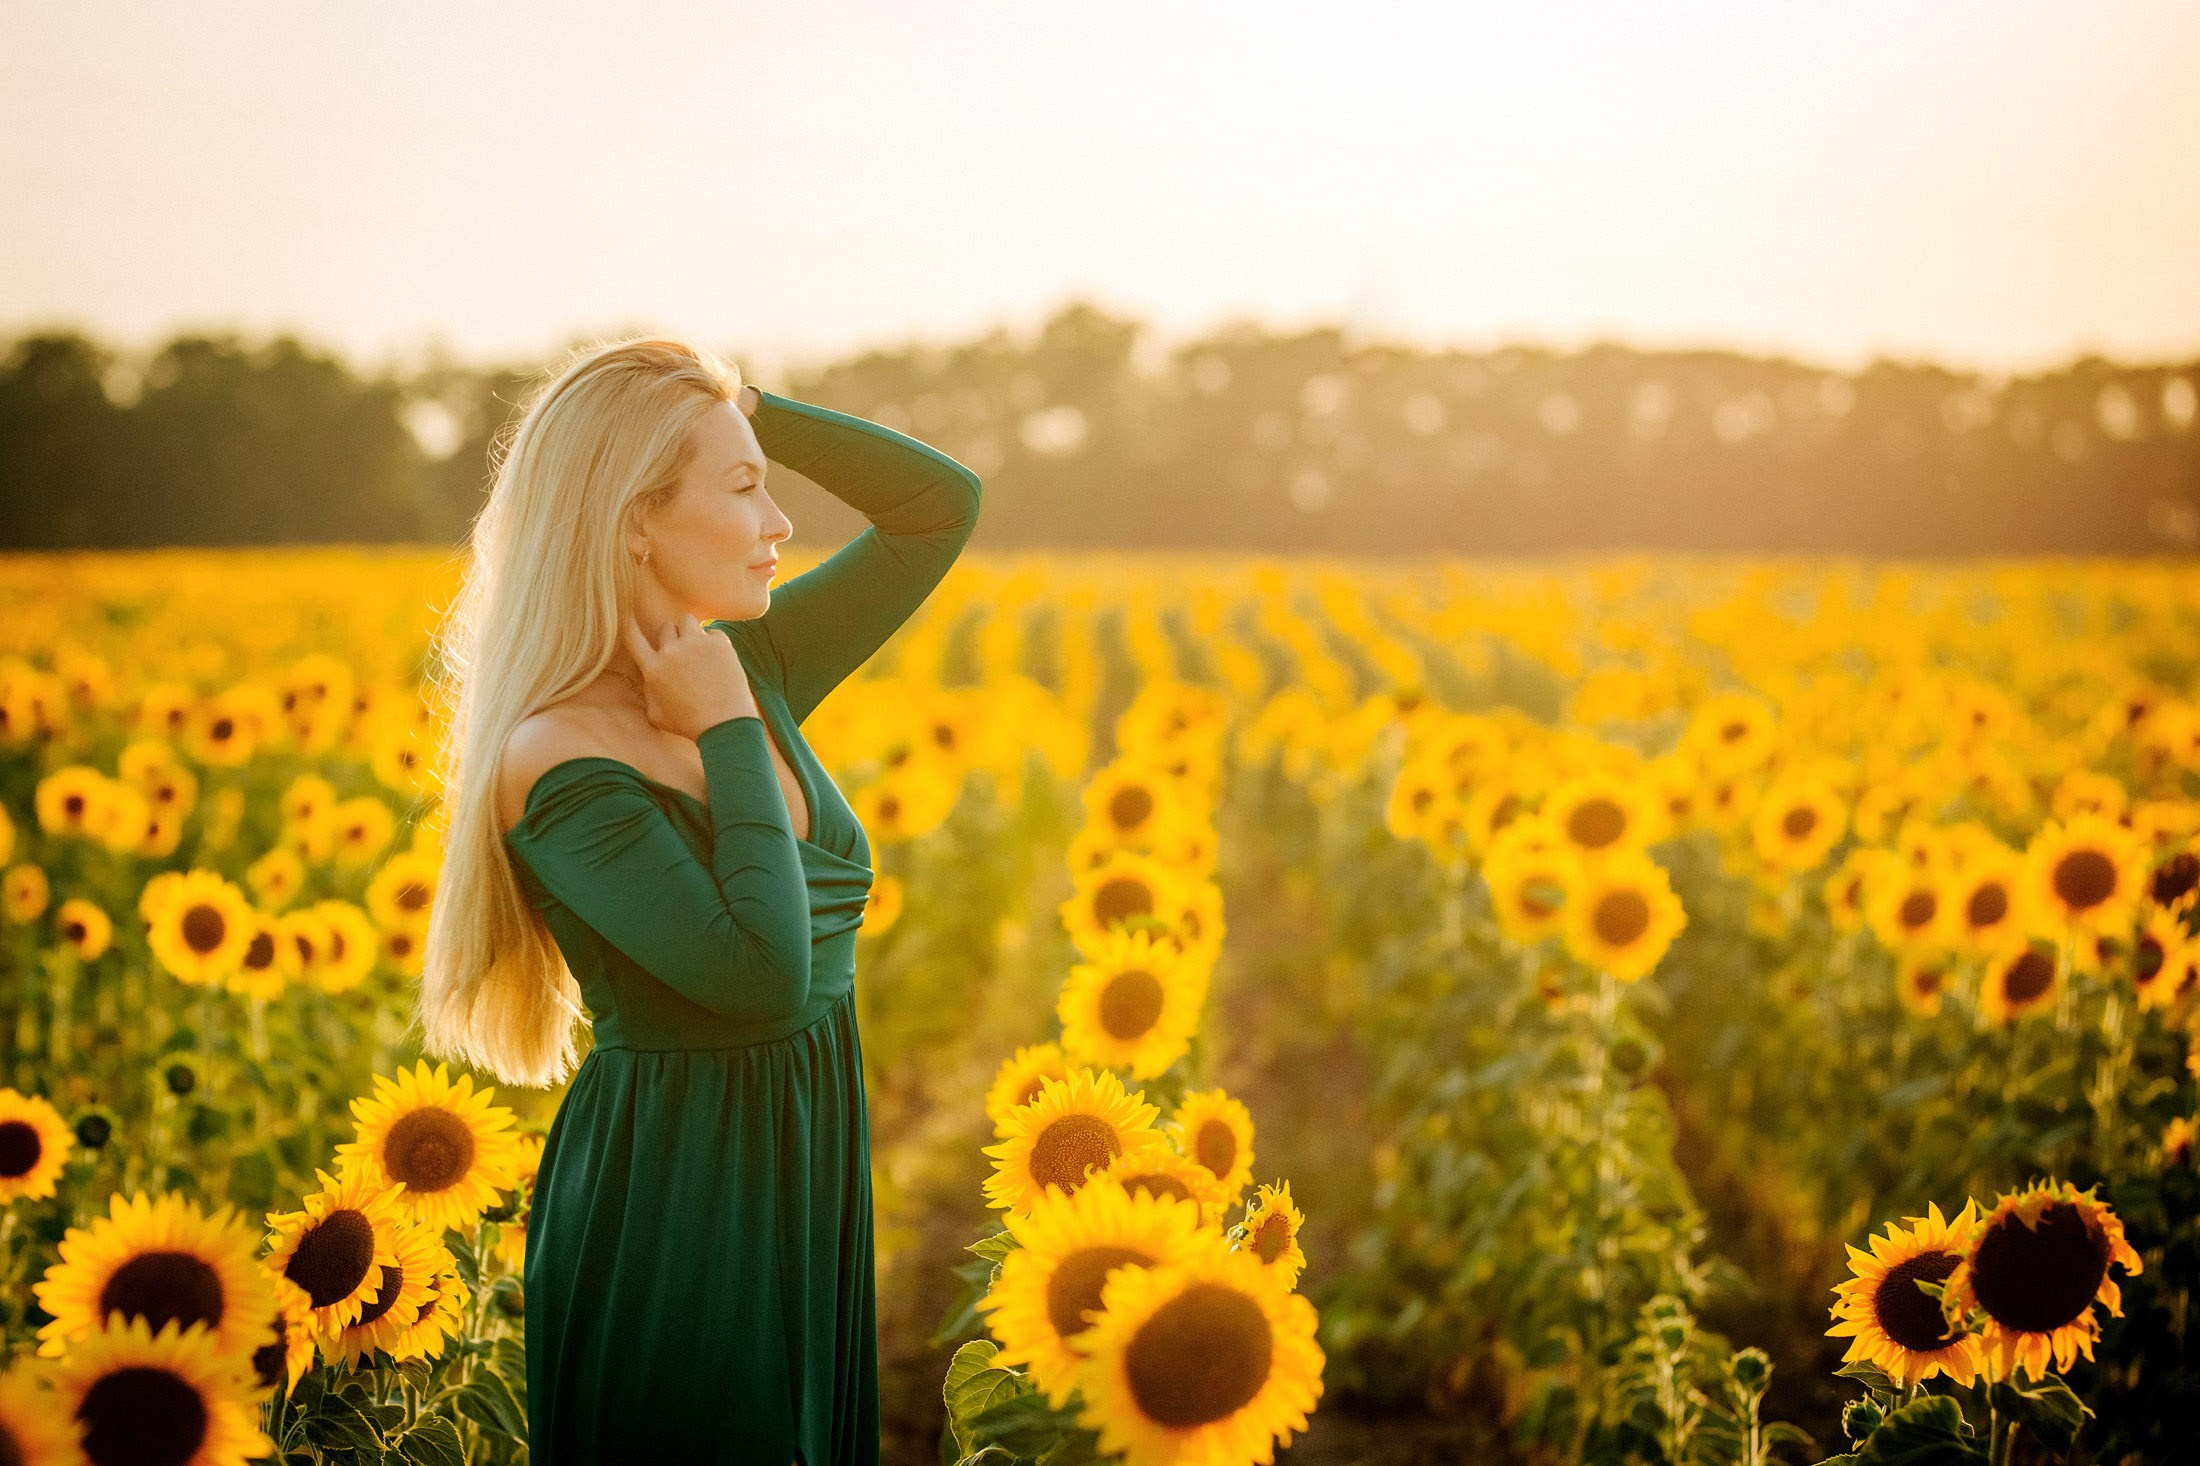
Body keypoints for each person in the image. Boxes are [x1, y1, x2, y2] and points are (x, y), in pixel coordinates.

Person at [414, 335, 983, 1464]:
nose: (779, 520)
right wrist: (724, 725)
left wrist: (743, 407)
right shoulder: (559, 758)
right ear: (633, 520)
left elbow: (939, 505)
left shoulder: (756, 664)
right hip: (681, 1204)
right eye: (742, 488)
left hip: (804, 1160)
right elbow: (758, 973)